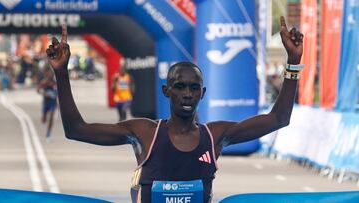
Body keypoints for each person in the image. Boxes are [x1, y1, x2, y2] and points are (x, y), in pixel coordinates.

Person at [46, 16, 303, 203]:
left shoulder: (215, 136)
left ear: (202, 93)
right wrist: (61, 74)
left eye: (193, 87)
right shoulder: (144, 132)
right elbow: (76, 130)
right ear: (166, 91)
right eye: (180, 86)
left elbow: (278, 118)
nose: (187, 93)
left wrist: (292, 62)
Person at [37, 67, 57, 140]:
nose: (49, 75)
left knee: (51, 117)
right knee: (44, 120)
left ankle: (48, 132)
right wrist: (44, 93)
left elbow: (60, 92)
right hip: (46, 102)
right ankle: (44, 117)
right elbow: (38, 90)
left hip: (53, 103)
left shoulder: (55, 82)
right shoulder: (44, 82)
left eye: (51, 73)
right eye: (48, 74)